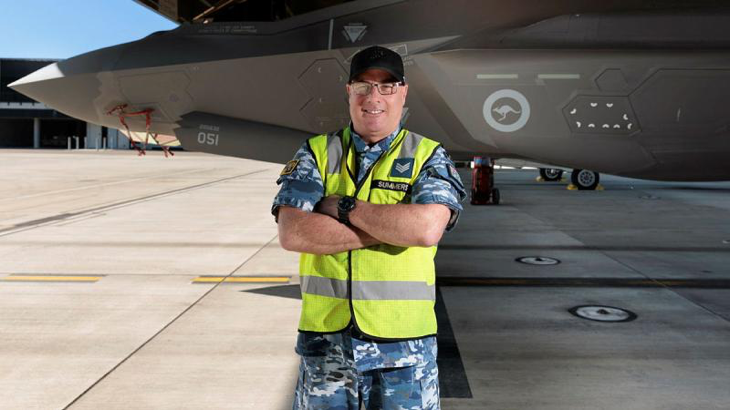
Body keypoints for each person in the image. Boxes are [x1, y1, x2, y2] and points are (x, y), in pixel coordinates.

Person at [272, 45, 466, 409]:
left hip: (404, 353)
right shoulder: (316, 152)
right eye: (364, 85)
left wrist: (343, 207)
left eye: (387, 86)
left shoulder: (427, 155)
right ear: (349, 92)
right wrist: (390, 226)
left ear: (403, 92)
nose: (374, 97)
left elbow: (425, 229)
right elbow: (293, 232)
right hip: (326, 348)